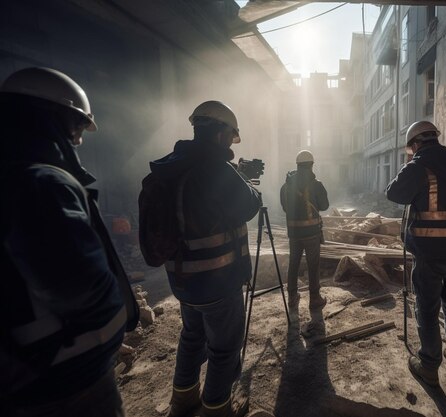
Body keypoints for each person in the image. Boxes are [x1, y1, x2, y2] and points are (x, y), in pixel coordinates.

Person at [0, 67, 138, 416]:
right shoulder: (41, 182)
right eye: (77, 126)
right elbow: (76, 284)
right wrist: (113, 314)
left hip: (31, 372)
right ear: (52, 118)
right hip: (66, 378)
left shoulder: (14, 172)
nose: (78, 140)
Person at [147, 101, 261, 417]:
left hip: (183, 280)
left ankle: (183, 399)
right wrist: (244, 180)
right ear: (221, 133)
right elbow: (249, 206)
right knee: (224, 349)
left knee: (192, 337)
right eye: (230, 136)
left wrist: (235, 175)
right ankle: (217, 409)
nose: (230, 144)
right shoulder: (215, 168)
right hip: (218, 280)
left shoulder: (174, 164)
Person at [386, 121, 446, 387]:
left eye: (411, 149)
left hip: (428, 253)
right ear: (434, 139)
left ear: (415, 144)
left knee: (426, 308)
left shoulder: (418, 166)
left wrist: (410, 168)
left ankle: (428, 365)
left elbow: (393, 192)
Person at [280, 150, 329, 313]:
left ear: (297, 165)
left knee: (293, 264)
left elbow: (285, 207)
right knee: (313, 265)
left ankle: (292, 297)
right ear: (312, 165)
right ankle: (314, 299)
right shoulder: (316, 184)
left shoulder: (285, 186)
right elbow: (324, 206)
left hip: (294, 234)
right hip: (312, 233)